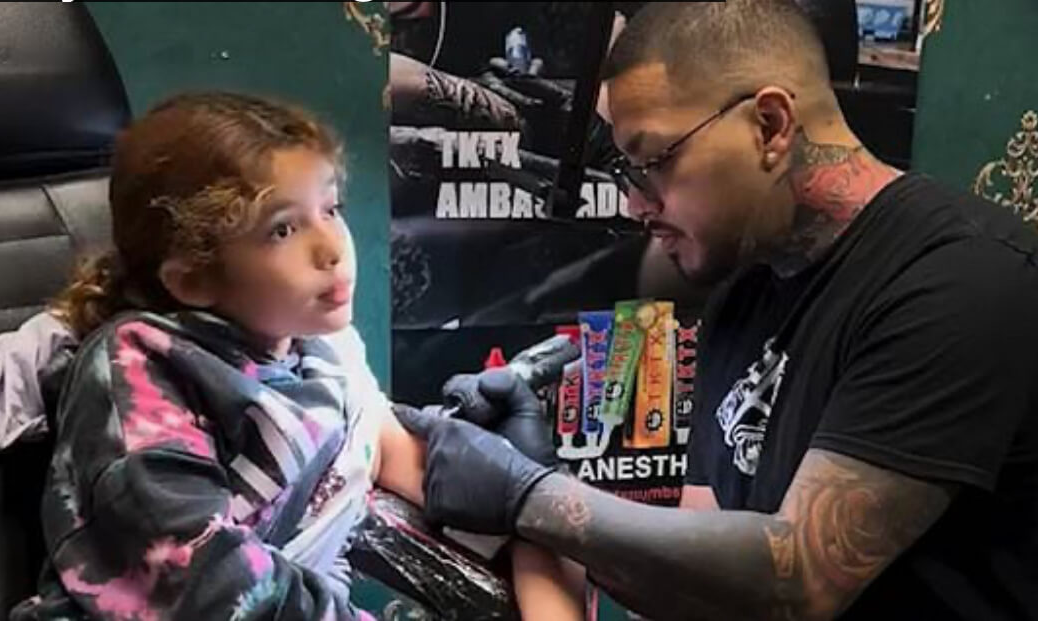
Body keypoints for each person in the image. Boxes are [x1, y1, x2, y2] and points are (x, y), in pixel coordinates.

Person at [393, 2, 1038, 619]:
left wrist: (529, 496)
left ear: (770, 126)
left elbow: (800, 582)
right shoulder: (743, 290)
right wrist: (546, 478)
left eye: (652, 163)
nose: (635, 205)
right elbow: (702, 575)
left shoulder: (960, 284)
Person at [7, 92, 583, 621]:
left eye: (330, 208)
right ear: (194, 279)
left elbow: (388, 453)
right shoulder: (138, 374)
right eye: (283, 230)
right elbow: (206, 582)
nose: (332, 248)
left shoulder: (321, 349)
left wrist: (537, 507)